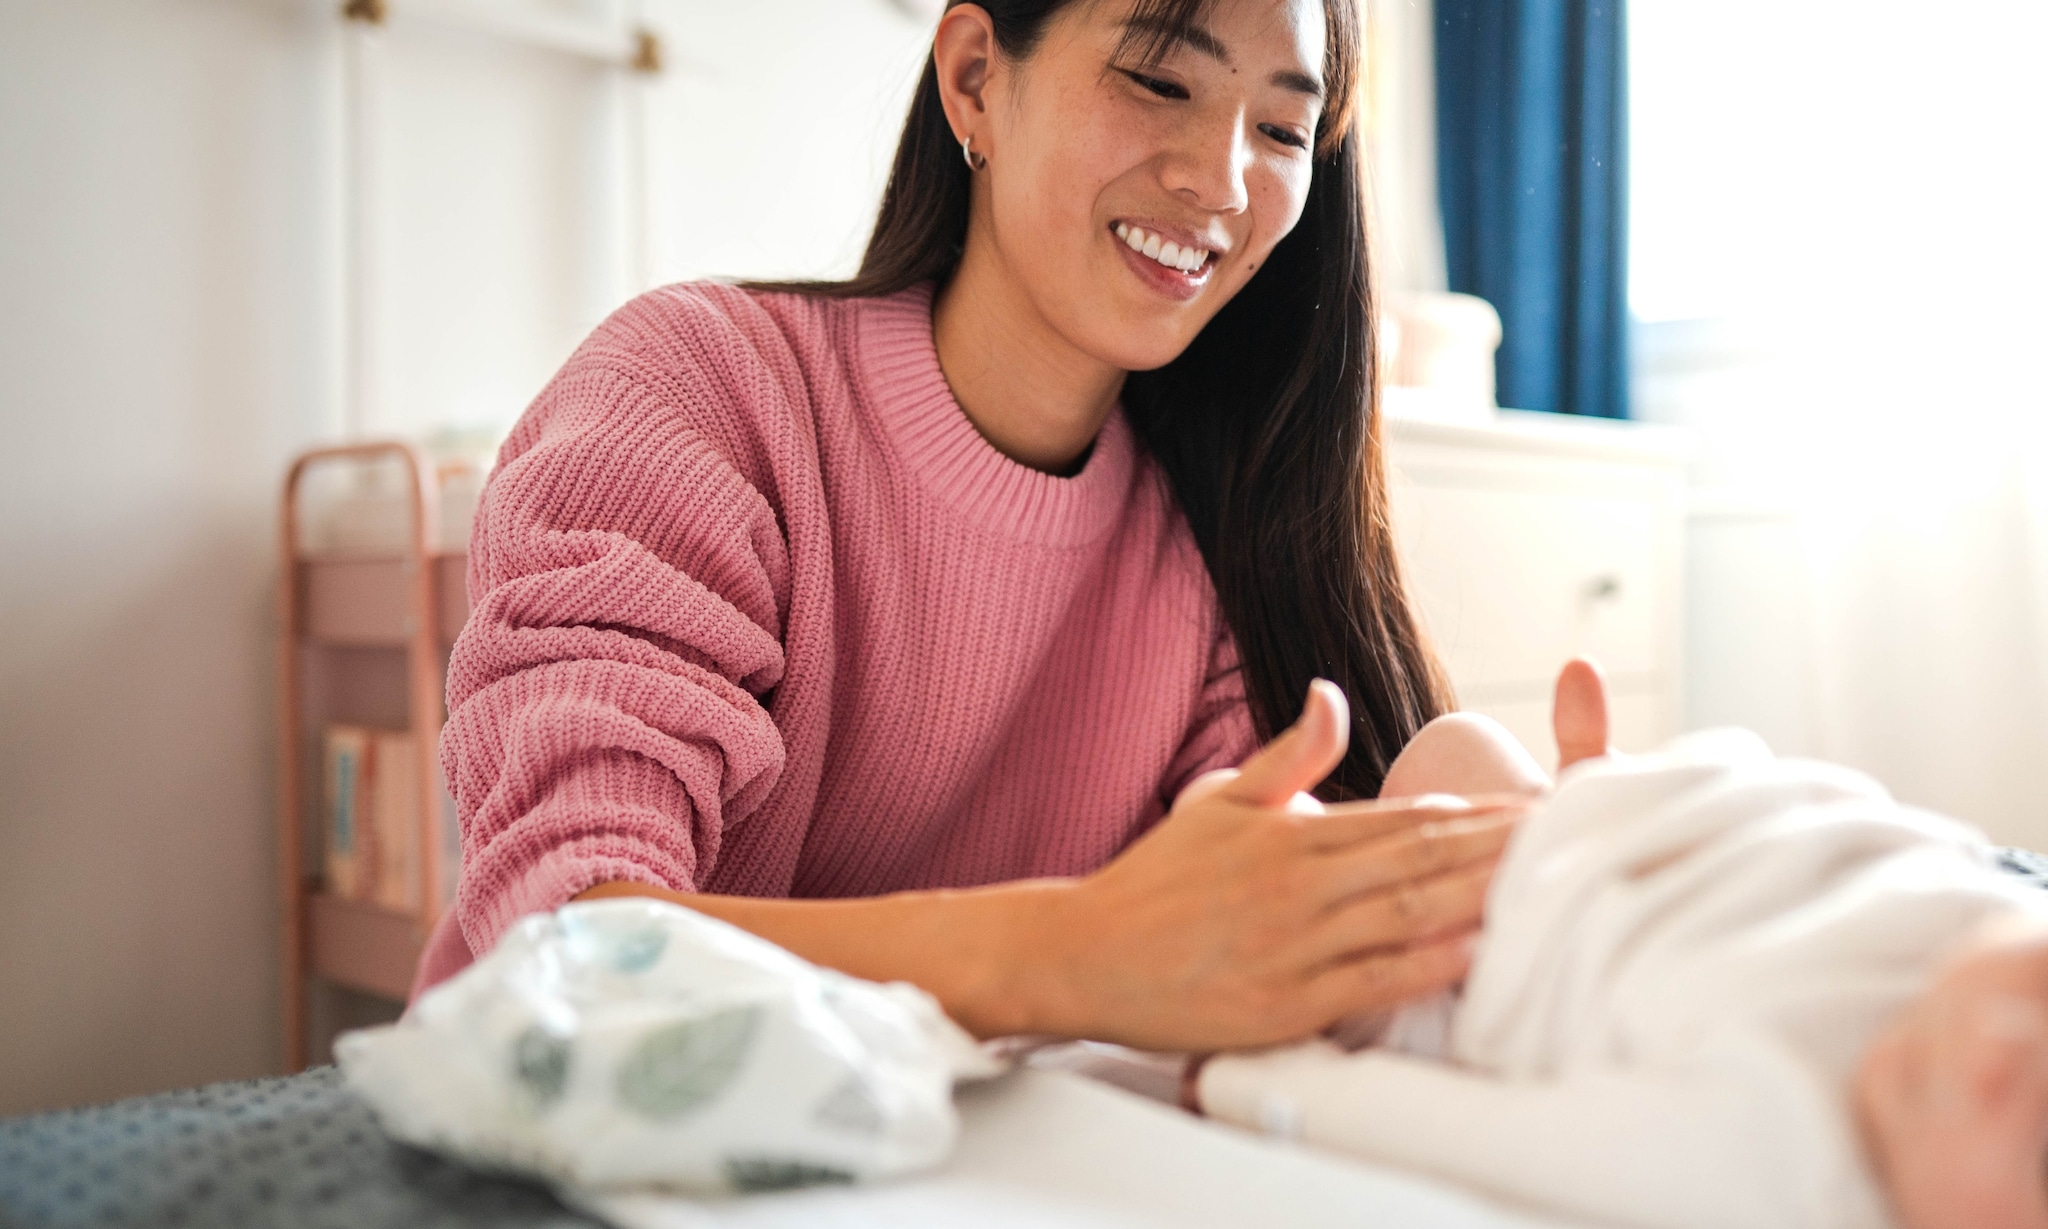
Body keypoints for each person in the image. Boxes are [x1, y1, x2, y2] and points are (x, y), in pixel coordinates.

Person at [416, 0, 1521, 1055]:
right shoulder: (703, 390)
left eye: (1281, 128)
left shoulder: (1212, 539)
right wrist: (1071, 953)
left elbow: (1271, 927)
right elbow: (569, 945)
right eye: (1157, 78)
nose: (1221, 180)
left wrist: (1533, 859)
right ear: (975, 82)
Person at [1192, 661, 2048, 1229]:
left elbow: (1492, 1139)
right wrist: (1603, 790)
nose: (1997, 1053)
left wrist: (1267, 1088)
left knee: (1226, 831)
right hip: (1571, 845)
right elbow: (1807, 825)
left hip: (1458, 970)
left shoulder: (1788, 1176)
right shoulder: (1970, 911)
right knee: (1458, 746)